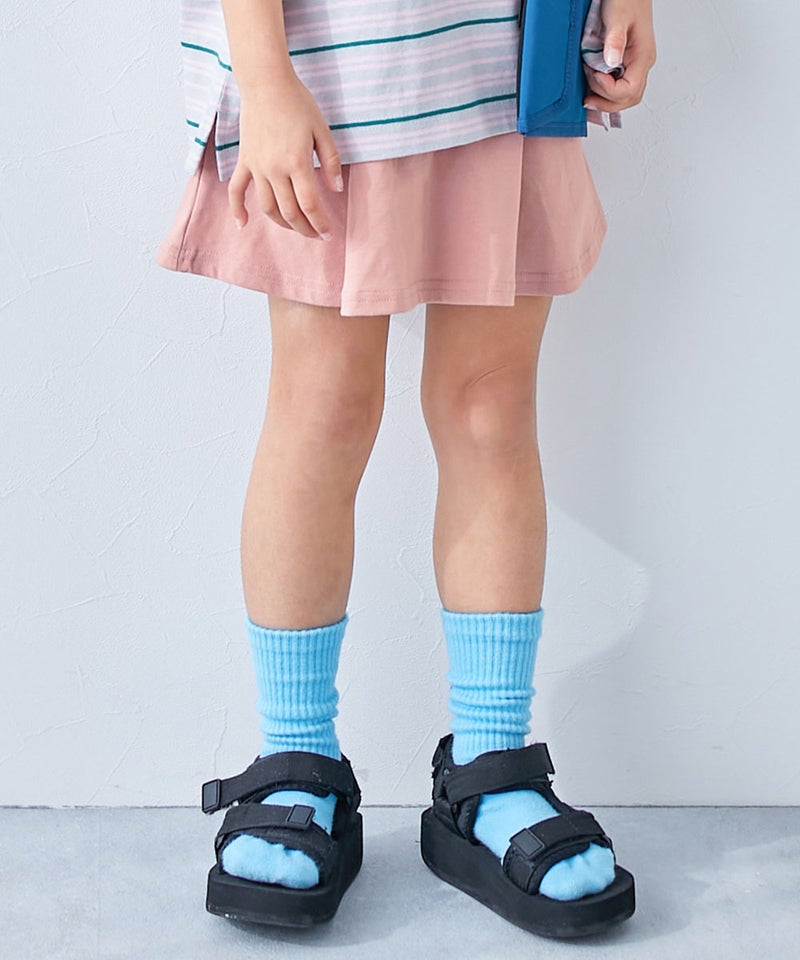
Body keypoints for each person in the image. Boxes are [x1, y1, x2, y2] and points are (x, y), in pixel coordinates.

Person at [158, 0, 657, 938]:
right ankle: (296, 758)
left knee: (490, 407)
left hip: (508, 61)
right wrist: (262, 75)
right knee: (321, 409)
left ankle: (488, 768)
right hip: (332, 73)